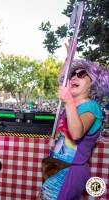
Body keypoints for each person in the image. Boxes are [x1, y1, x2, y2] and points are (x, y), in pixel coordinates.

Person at [41, 44, 109, 199]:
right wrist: (68, 58)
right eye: (73, 74)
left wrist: (69, 100)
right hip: (57, 168)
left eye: (81, 74)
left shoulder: (91, 107)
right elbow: (62, 79)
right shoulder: (71, 106)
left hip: (71, 171)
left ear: (94, 83)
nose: (73, 77)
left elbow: (77, 133)